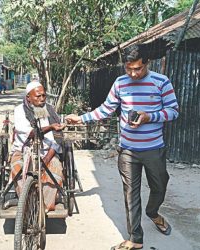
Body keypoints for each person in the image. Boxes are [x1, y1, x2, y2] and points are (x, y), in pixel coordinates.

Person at [65, 46, 179, 250]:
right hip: (127, 150)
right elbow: (106, 109)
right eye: (129, 69)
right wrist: (81, 118)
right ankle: (135, 239)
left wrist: (149, 117)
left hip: (154, 148)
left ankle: (153, 212)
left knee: (160, 186)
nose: (133, 74)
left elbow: (173, 111)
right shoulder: (120, 83)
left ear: (147, 63)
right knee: (130, 194)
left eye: (138, 69)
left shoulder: (162, 82)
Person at [10, 81, 66, 211]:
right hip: (22, 150)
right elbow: (30, 134)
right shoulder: (19, 111)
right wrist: (50, 127)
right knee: (17, 168)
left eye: (43, 96)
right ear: (28, 97)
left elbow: (57, 140)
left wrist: (46, 159)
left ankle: (45, 205)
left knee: (55, 169)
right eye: (38, 96)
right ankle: (26, 203)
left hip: (47, 152)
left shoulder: (50, 110)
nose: (42, 99)